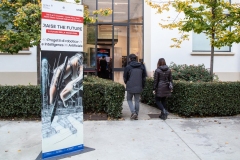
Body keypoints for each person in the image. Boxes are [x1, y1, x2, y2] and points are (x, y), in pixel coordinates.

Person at [123, 54, 146, 120]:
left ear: (130, 59)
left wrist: (127, 83)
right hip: (139, 86)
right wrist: (142, 85)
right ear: (136, 59)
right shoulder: (141, 66)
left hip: (130, 85)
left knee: (129, 99)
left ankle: (133, 112)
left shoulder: (128, 67)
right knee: (137, 100)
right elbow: (144, 77)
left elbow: (125, 77)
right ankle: (136, 114)